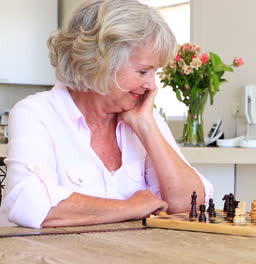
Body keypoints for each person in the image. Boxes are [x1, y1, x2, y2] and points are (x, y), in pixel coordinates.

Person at [0, 0, 213, 228]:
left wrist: (146, 127)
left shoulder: (141, 116)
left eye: (155, 72)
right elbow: (27, 203)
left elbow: (191, 204)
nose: (152, 85)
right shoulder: (36, 113)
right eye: (143, 71)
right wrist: (131, 207)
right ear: (99, 62)